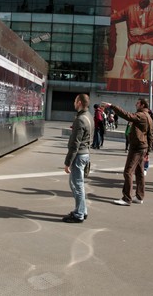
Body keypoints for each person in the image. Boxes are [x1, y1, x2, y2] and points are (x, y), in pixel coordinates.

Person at [102, 98, 153, 206]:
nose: (136, 104)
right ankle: (139, 196)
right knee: (139, 173)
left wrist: (112, 106)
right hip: (142, 147)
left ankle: (127, 198)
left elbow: (127, 115)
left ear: (143, 105)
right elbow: (150, 134)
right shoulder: (148, 116)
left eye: (138, 103)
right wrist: (148, 150)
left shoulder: (141, 115)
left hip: (137, 148)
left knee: (128, 172)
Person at [63, 93, 94, 223]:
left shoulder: (80, 119)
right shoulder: (89, 116)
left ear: (80, 102)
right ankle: (82, 210)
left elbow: (75, 144)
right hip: (85, 153)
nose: (74, 103)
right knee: (75, 183)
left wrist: (67, 162)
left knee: (77, 185)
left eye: (75, 101)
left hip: (79, 155)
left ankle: (79, 214)